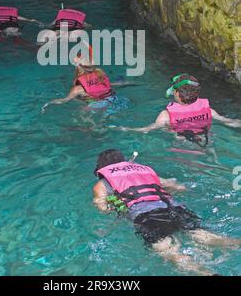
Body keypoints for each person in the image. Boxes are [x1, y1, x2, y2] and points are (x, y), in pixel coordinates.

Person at [93, 149, 240, 276]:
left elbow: (103, 209)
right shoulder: (143, 171)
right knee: (201, 234)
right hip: (174, 208)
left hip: (146, 217)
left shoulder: (102, 184)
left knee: (167, 250)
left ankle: (206, 273)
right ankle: (235, 242)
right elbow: (179, 187)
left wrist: (116, 205)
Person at [110, 73, 241, 145]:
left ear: (176, 93)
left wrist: (123, 129)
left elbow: (147, 130)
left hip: (182, 145)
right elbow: (231, 122)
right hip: (208, 140)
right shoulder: (210, 111)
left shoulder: (165, 115)